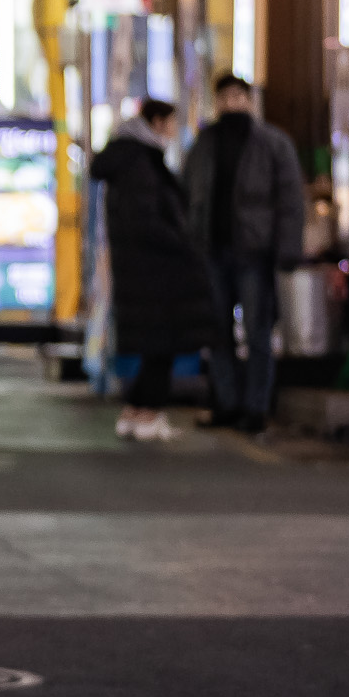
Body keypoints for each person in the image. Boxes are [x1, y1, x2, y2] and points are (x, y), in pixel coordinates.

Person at [181, 75, 308, 431]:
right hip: (212, 250)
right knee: (217, 331)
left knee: (257, 331)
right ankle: (227, 402)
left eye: (238, 96)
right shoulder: (204, 143)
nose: (231, 103)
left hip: (255, 250)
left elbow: (290, 200)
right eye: (224, 97)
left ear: (250, 101)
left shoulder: (272, 143)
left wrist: (288, 250)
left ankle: (255, 407)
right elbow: (188, 193)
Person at [91, 100, 220, 441]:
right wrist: (184, 244)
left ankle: (136, 412)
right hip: (156, 269)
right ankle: (148, 414)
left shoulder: (129, 158)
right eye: (172, 123)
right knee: (163, 344)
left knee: (157, 346)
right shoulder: (140, 162)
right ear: (158, 122)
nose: (175, 130)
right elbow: (148, 220)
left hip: (141, 269)